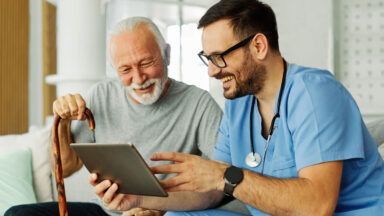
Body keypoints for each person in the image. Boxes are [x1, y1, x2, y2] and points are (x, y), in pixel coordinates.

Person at [90, 0, 384, 215]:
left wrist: (225, 175)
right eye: (208, 59)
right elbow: (208, 193)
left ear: (258, 46)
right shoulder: (239, 106)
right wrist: (139, 198)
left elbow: (316, 206)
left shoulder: (315, 94)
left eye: (219, 57)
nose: (212, 72)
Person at [4, 17, 223, 216]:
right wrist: (63, 122)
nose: (138, 78)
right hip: (104, 211)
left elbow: (221, 183)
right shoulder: (101, 94)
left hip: (164, 212)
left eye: (146, 63)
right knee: (18, 214)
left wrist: (161, 208)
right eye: (125, 70)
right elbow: (66, 168)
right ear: (114, 69)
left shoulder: (199, 104)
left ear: (167, 54)